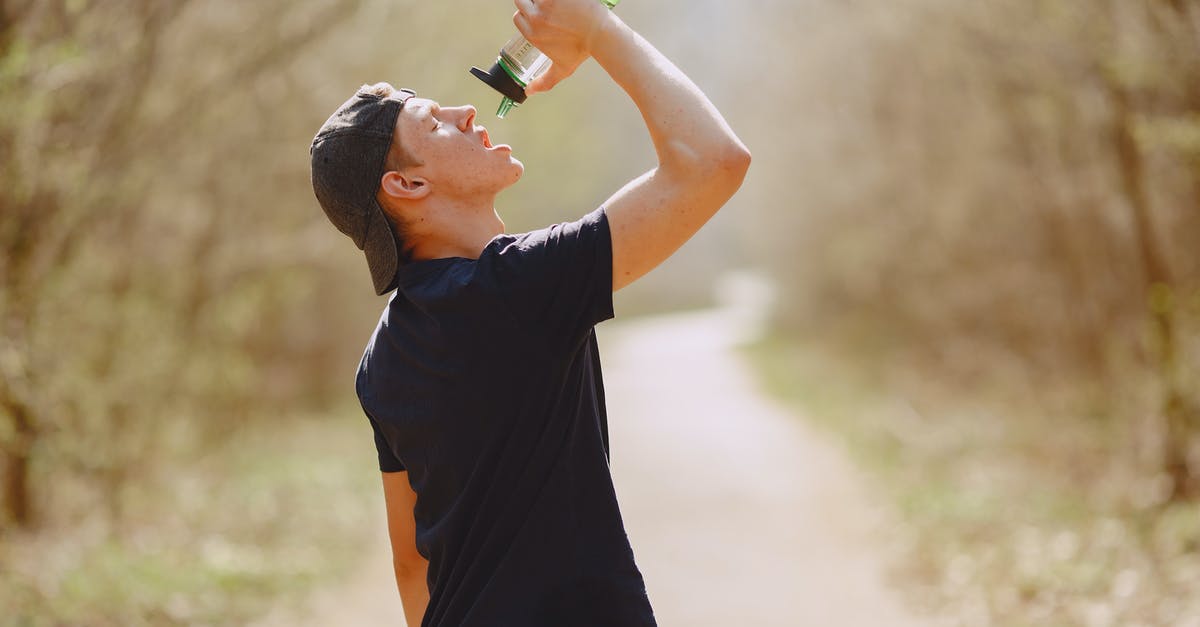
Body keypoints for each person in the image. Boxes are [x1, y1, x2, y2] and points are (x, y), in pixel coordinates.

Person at [309, 0, 749, 624]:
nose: (465, 111)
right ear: (407, 187)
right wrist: (597, 29)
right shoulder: (516, 290)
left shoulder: (381, 358)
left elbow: (412, 564)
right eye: (434, 124)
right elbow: (714, 162)